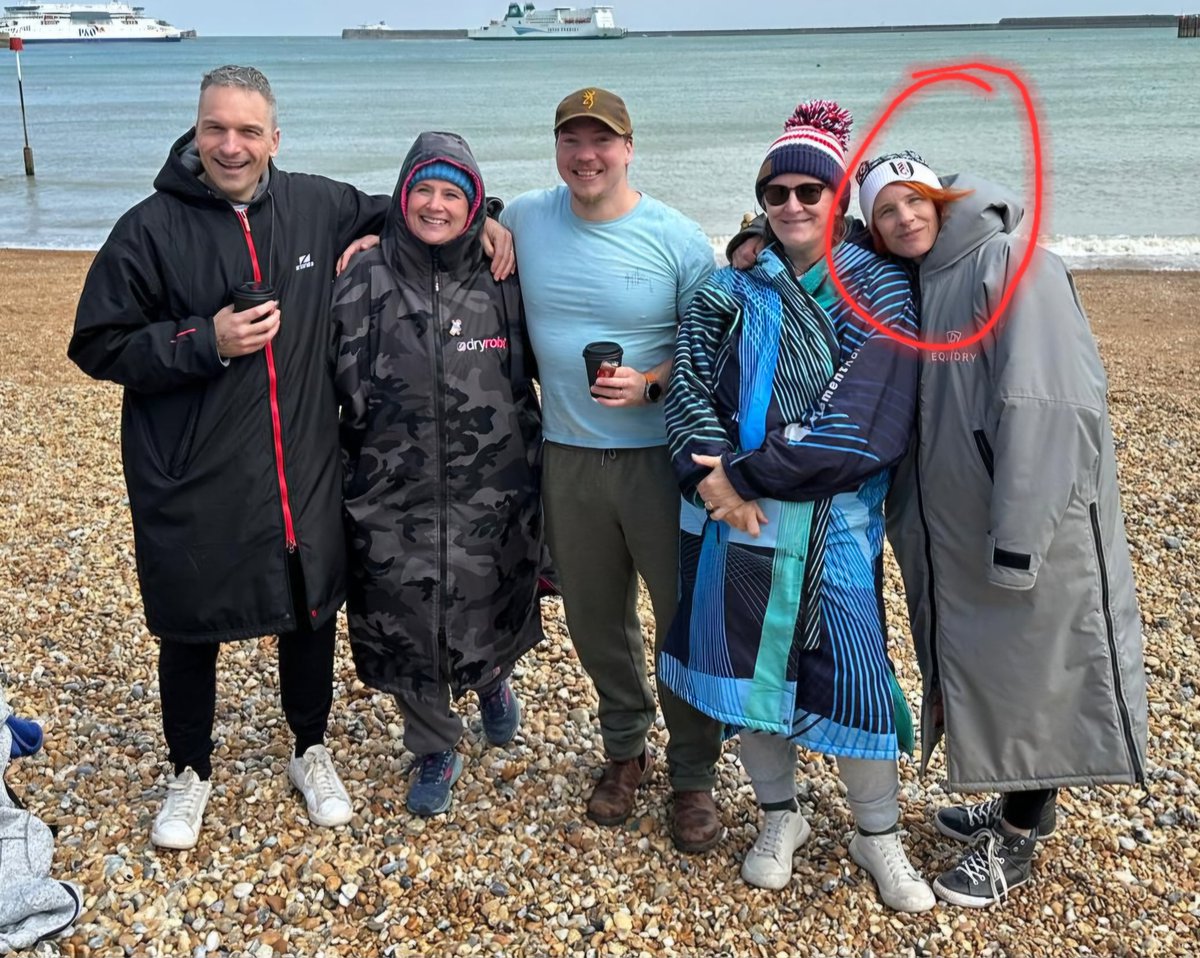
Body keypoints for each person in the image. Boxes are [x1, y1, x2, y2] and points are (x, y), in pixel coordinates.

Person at [67, 65, 513, 850]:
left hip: (301, 455)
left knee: (310, 604)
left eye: (247, 131)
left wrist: (494, 221)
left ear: (276, 138)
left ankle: (310, 748)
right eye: (216, 129)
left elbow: (414, 209)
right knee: (191, 617)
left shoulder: (314, 203)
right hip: (194, 462)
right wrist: (203, 339)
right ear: (195, 132)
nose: (230, 146)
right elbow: (96, 342)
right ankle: (189, 769)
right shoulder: (150, 227)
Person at [854, 151, 1148, 907]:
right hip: (961, 523)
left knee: (1037, 665)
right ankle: (1022, 798)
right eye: (886, 212)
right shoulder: (927, 277)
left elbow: (1048, 404)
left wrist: (1019, 531)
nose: (904, 218)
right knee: (999, 667)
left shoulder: (1008, 264)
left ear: (944, 199)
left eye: (915, 201)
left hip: (1024, 520)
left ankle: (1015, 842)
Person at [662, 100, 935, 911]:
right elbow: (687, 382)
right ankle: (780, 815)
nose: (791, 207)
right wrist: (703, 476)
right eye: (775, 192)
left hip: (832, 525)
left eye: (808, 193)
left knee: (855, 674)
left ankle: (875, 831)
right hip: (734, 526)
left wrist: (737, 478)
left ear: (839, 198)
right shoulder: (733, 286)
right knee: (748, 675)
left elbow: (864, 424)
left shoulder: (881, 289)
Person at [499, 87, 727, 851]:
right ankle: (625, 750)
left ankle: (694, 772)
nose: (586, 156)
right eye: (572, 140)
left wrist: (651, 382)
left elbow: (718, 346)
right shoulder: (527, 218)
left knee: (682, 621)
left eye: (602, 142)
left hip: (660, 463)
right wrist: (369, 237)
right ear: (557, 148)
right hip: (566, 455)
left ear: (630, 149)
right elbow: (434, 210)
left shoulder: (677, 238)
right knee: (597, 621)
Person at [331, 132, 544, 817]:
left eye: (453, 194)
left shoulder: (504, 275)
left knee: (489, 602)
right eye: (423, 189)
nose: (435, 204)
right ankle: (434, 744)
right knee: (404, 615)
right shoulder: (362, 276)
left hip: (494, 482)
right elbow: (320, 375)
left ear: (475, 203)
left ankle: (492, 683)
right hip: (391, 489)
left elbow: (552, 358)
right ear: (401, 195)